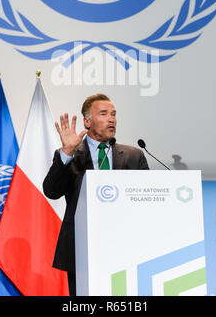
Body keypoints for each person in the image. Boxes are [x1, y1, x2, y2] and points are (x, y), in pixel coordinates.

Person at [43, 93, 149, 296]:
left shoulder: (134, 156)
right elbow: (51, 191)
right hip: (81, 250)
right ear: (87, 121)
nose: (112, 119)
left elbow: (145, 204)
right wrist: (67, 153)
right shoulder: (69, 155)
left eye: (114, 114)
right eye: (103, 114)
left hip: (124, 247)